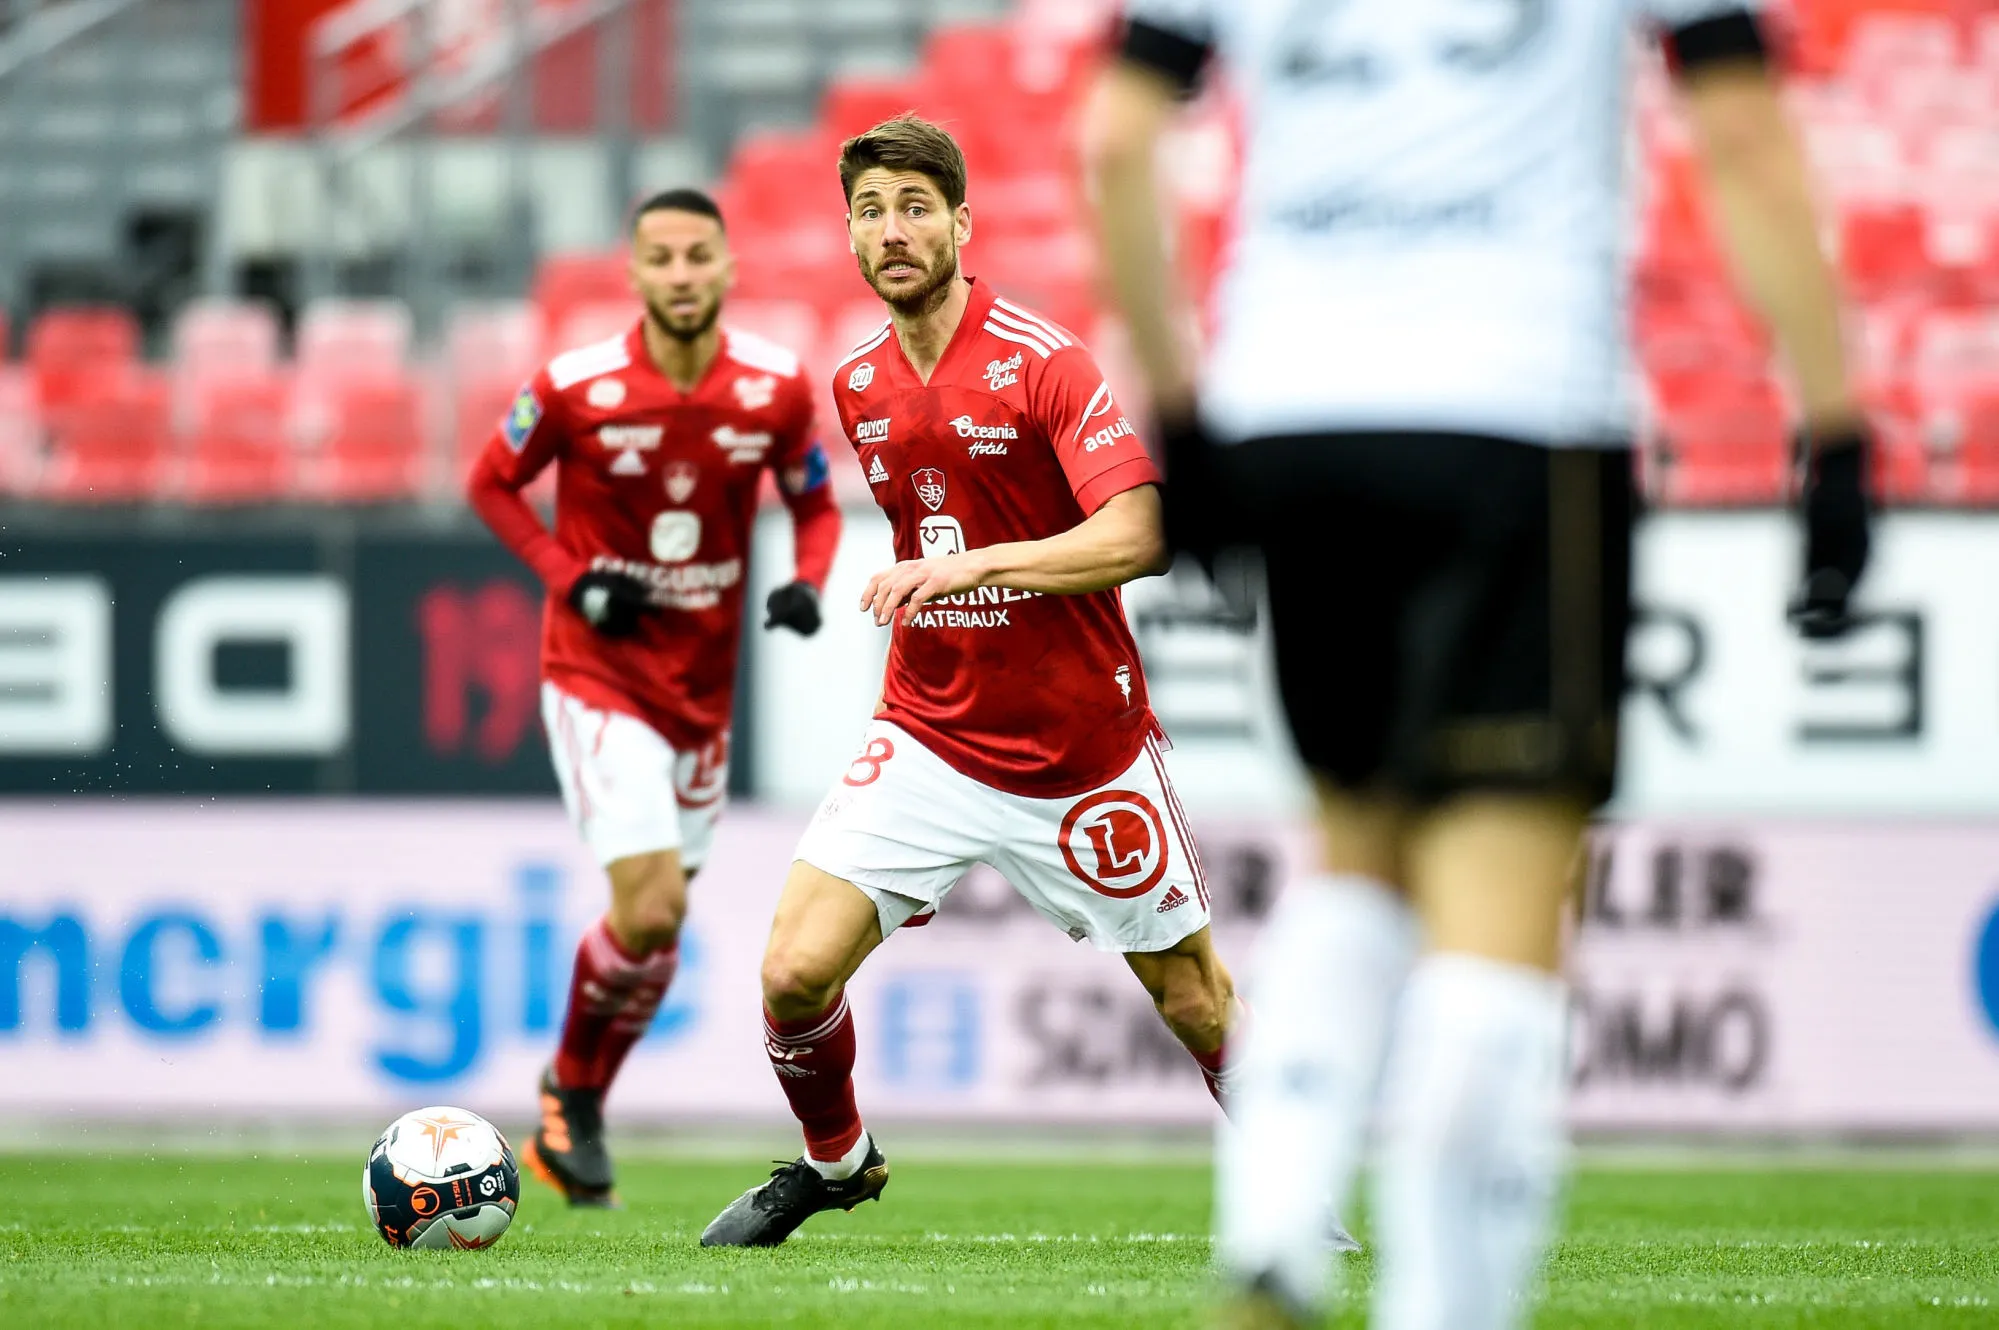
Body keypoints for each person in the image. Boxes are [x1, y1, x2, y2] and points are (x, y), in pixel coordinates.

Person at [1084, 2, 1873, 1326]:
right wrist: (1834, 430)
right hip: (1515, 412)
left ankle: (1272, 1236)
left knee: (1356, 848)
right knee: (1499, 902)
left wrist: (1178, 408)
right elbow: (1737, 135)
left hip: (1291, 411)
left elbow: (1111, 143)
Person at [698, 114, 1238, 1248]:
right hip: (930, 735)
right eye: (869, 211)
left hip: (1079, 750)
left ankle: (1297, 1199)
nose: (891, 230)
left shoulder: (1042, 360)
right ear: (847, 236)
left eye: (913, 206)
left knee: (1192, 1000)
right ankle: (836, 1164)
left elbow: (1143, 532)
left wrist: (979, 564)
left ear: (959, 224)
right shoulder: (858, 385)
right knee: (793, 970)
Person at [466, 187, 842, 1207]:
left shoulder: (772, 388)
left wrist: (808, 581)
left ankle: (573, 1099)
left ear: (727, 267)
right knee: (653, 904)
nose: (681, 274)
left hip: (701, 694)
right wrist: (569, 576)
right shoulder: (576, 384)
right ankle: (568, 1092)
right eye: (661, 258)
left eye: (698, 256)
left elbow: (814, 502)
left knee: (656, 935)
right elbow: (490, 482)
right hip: (599, 674)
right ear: (632, 272)